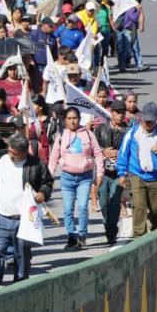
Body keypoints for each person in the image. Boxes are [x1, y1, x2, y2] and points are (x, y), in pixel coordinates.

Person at [0, 134, 54, 288]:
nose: (10, 155)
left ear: (24, 152)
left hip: (24, 220)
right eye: (9, 150)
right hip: (0, 216)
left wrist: (42, 193)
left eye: (14, 153)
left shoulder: (36, 165)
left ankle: (20, 289)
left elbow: (47, 182)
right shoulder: (0, 160)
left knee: (22, 258)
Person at [116, 102, 157, 237]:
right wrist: (121, 173)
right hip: (137, 176)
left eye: (151, 121)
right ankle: (139, 237)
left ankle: (155, 234)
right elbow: (123, 153)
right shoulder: (132, 133)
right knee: (139, 208)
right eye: (146, 120)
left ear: (156, 120)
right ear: (142, 118)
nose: (148, 123)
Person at [48, 107, 104, 250]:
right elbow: (54, 157)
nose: (73, 121)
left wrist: (99, 173)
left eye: (75, 118)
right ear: (65, 121)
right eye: (69, 118)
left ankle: (83, 235)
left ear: (79, 119)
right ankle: (72, 236)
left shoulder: (88, 134)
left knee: (83, 206)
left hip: (85, 177)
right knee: (67, 209)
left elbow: (97, 154)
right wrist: (49, 177)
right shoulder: (61, 135)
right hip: (67, 178)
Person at [95, 100, 129, 244]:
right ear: (111, 113)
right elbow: (93, 148)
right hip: (103, 172)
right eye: (117, 112)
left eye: (122, 112)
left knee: (115, 202)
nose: (120, 115)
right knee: (103, 202)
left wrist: (119, 153)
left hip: (119, 173)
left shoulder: (128, 131)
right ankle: (107, 222)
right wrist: (104, 151)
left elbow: (132, 150)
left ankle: (111, 230)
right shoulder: (100, 129)